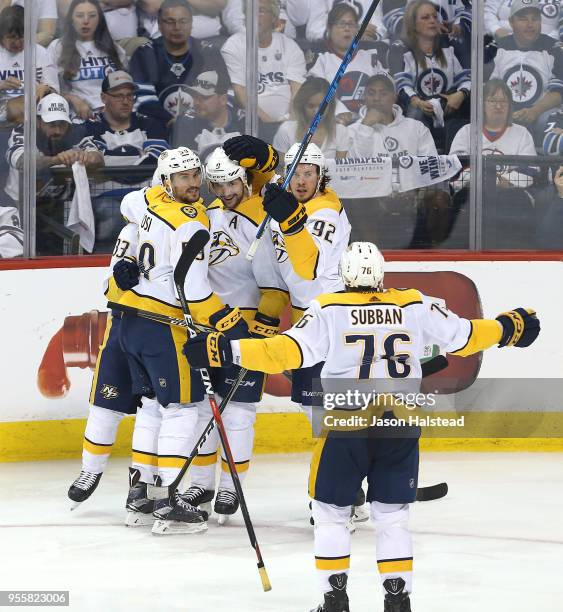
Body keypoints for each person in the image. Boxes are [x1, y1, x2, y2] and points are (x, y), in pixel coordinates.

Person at [184, 240, 541, 612]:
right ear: (381, 273)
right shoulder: (414, 303)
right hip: (399, 426)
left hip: (346, 425)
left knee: (330, 514)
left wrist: (225, 350)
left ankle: (334, 599)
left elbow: (284, 353)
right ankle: (397, 599)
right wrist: (507, 328)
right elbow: (465, 337)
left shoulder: (328, 308)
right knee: (392, 516)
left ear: (344, 275)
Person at [182, 136, 288, 523]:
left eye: (233, 184)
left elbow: (276, 285)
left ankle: (231, 487)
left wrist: (263, 326)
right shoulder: (204, 214)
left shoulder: (264, 214)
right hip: (206, 323)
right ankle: (200, 482)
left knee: (240, 412)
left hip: (246, 325)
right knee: (201, 409)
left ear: (245, 180)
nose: (226, 192)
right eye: (219, 185)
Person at [5, 93, 103, 253]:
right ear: (38, 121)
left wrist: (88, 157)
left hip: (54, 208)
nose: (57, 130)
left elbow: (99, 158)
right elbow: (22, 161)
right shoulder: (24, 131)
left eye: (61, 124)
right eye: (51, 124)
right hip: (19, 208)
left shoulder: (74, 132)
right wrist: (56, 160)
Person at [449, 78, 538, 249]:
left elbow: (530, 170)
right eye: (492, 100)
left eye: (503, 101)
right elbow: (455, 169)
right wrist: (490, 181)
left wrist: (498, 181)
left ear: (510, 105)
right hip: (473, 193)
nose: (498, 106)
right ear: (482, 104)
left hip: (512, 194)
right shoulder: (466, 132)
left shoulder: (522, 133)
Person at [130, 0, 228, 125]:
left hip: (202, 127)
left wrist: (191, 125)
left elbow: (223, 96)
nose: (177, 27)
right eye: (170, 22)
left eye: (183, 21)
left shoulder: (209, 53)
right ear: (159, 24)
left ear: (192, 24)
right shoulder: (144, 54)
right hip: (157, 126)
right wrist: (172, 120)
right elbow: (142, 99)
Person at [221, 0, 306, 141]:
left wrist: (289, 122)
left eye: (260, 10)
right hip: (252, 123)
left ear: (273, 17)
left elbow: (297, 90)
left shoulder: (289, 46)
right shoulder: (233, 46)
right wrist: (270, 124)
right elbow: (240, 93)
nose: (254, 15)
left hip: (289, 121)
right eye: (250, 11)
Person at [389, 0, 471, 147]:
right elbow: (402, 85)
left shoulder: (450, 45)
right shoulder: (401, 49)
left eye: (434, 16)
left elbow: (467, 78)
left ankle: (459, 158)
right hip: (417, 107)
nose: (433, 21)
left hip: (449, 105)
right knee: (415, 113)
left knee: (470, 103)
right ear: (413, 24)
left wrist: (460, 94)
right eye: (425, 18)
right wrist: (417, 102)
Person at [488, 0, 563, 140]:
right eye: (523, 19)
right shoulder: (496, 48)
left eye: (534, 19)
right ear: (511, 22)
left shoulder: (555, 48)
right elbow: (484, 89)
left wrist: (535, 111)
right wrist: (503, 110)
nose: (530, 25)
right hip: (502, 112)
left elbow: (558, 92)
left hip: (541, 113)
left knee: (555, 128)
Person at [307, 3, 387, 123]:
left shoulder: (371, 56)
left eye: (351, 24)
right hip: (335, 124)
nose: (347, 29)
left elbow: (386, 87)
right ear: (329, 29)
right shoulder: (321, 60)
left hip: (371, 122)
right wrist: (343, 113)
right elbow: (319, 94)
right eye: (341, 24)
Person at [48, 0, 127, 120]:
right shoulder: (57, 47)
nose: (86, 21)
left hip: (113, 117)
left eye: (92, 16)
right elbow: (48, 90)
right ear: (71, 20)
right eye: (79, 16)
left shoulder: (114, 49)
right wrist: (72, 99)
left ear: (99, 19)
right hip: (76, 117)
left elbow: (125, 87)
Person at [0, 5, 59, 126]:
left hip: (35, 114)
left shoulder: (40, 52)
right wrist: (1, 85)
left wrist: (45, 88)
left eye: (22, 37)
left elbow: (55, 91)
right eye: (11, 38)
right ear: (1, 35)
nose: (17, 43)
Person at [170, 66, 244, 155]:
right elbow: (186, 165)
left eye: (204, 97)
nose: (196, 102)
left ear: (223, 100)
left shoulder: (243, 121)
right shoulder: (186, 122)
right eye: (195, 95)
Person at [273, 76, 349, 159]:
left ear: (330, 106)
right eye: (310, 106)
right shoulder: (286, 130)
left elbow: (340, 170)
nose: (317, 112)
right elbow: (279, 168)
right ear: (302, 106)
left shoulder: (341, 131)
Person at [485, 0, 560, 41]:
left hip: (545, 51)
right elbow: (487, 12)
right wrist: (496, 29)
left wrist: (546, 41)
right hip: (501, 46)